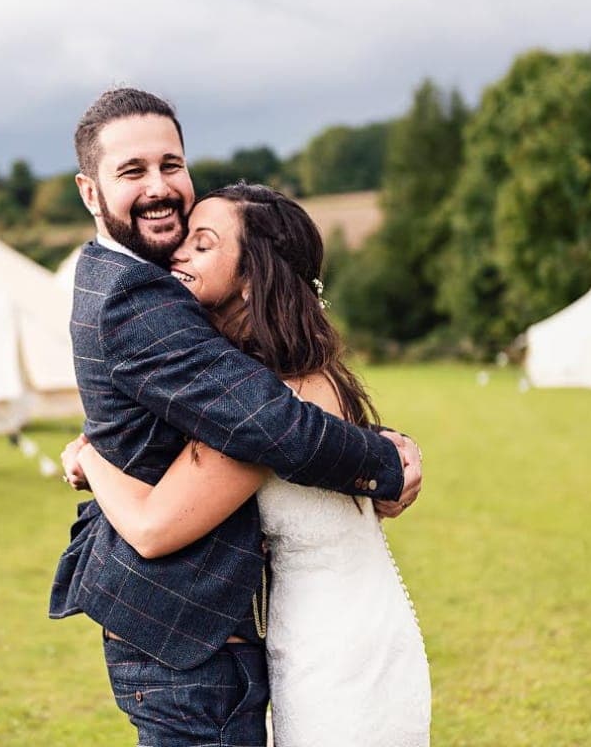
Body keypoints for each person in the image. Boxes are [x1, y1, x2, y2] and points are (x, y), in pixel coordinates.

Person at [48, 87, 422, 747]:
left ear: (251, 275)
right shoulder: (141, 296)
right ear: (89, 191)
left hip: (327, 650)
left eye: (171, 165)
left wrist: (92, 457)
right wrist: (385, 462)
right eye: (132, 171)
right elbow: (264, 434)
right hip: (217, 644)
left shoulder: (255, 372)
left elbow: (270, 427)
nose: (160, 187)